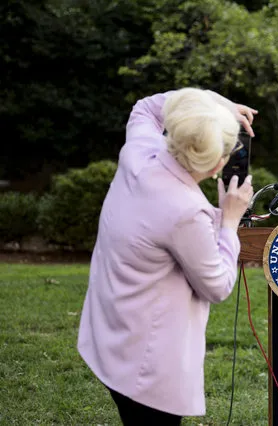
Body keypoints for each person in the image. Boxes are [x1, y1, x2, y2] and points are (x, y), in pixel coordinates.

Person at [77, 87, 258, 425]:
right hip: (146, 367)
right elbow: (217, 285)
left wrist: (211, 106)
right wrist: (230, 222)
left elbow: (146, 106)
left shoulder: (139, 151)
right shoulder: (185, 211)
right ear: (219, 165)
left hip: (111, 333)